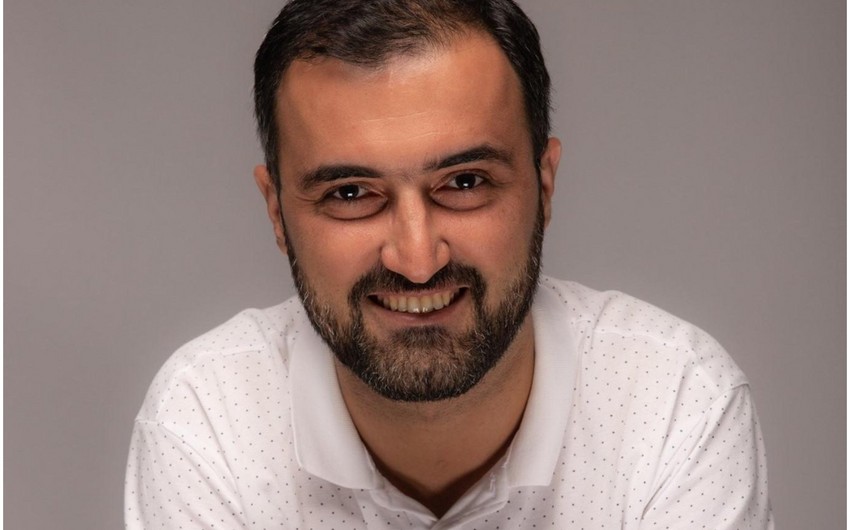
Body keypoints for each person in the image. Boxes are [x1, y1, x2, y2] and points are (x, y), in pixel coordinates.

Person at [125, 1, 773, 528]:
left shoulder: (674, 400)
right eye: (350, 194)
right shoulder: (209, 417)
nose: (416, 260)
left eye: (464, 183)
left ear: (545, 185)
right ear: (276, 212)